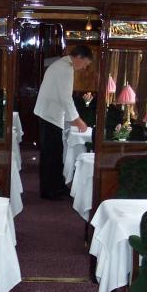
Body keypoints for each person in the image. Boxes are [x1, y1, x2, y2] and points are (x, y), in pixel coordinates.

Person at [33, 44, 91, 200]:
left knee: (55, 153)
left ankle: (58, 185)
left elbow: (62, 97)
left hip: (49, 114)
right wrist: (77, 120)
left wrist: (72, 119)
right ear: (79, 58)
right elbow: (66, 98)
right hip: (49, 115)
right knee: (51, 155)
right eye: (85, 64)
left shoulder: (61, 65)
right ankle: (49, 191)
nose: (84, 68)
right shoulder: (65, 69)